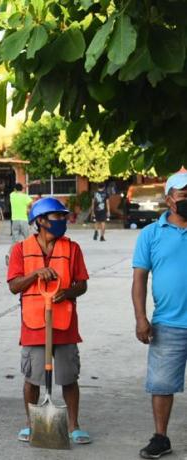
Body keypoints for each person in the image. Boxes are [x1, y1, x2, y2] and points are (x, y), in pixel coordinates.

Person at [7, 197, 90, 445]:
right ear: (40, 221)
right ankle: (32, 423)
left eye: (63, 217)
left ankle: (74, 425)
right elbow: (13, 286)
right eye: (57, 217)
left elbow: (82, 284)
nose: (63, 221)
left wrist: (68, 292)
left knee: (69, 377)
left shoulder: (72, 248)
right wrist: (34, 274)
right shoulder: (20, 250)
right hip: (33, 322)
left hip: (64, 323)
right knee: (32, 378)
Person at [132, 172, 187, 459]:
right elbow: (139, 278)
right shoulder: (150, 234)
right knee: (162, 384)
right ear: (169, 200)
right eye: (184, 195)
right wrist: (141, 318)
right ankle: (161, 437)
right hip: (167, 323)